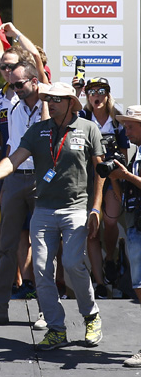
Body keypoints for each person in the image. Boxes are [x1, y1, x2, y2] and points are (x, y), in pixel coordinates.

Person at [0, 82, 105, 350]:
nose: (50, 103)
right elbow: (14, 159)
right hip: (43, 210)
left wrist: (96, 208)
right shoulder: (38, 130)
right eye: (48, 98)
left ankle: (91, 315)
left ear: (70, 102)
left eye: (56, 99)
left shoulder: (88, 128)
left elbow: (100, 171)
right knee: (41, 269)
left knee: (73, 263)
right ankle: (56, 328)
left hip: (75, 208)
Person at [0, 61, 46, 327]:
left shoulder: (51, 106)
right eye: (11, 85)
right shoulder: (14, 108)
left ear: (35, 82)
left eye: (19, 84)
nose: (14, 89)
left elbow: (47, 138)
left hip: (42, 180)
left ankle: (45, 311)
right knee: (5, 246)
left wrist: (45, 99)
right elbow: (13, 150)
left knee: (42, 247)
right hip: (15, 177)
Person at [77, 77, 127, 297]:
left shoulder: (117, 120)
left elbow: (124, 155)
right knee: (91, 230)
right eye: (91, 91)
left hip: (112, 177)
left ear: (107, 94)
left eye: (101, 91)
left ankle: (110, 258)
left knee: (110, 220)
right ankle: (99, 283)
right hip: (85, 177)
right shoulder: (82, 117)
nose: (96, 95)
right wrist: (75, 90)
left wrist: (117, 179)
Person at [104, 106, 141, 366]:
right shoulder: (137, 153)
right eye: (124, 125)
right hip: (135, 224)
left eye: (130, 125)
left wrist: (127, 175)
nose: (125, 130)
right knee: (139, 286)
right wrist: (117, 177)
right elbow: (120, 196)